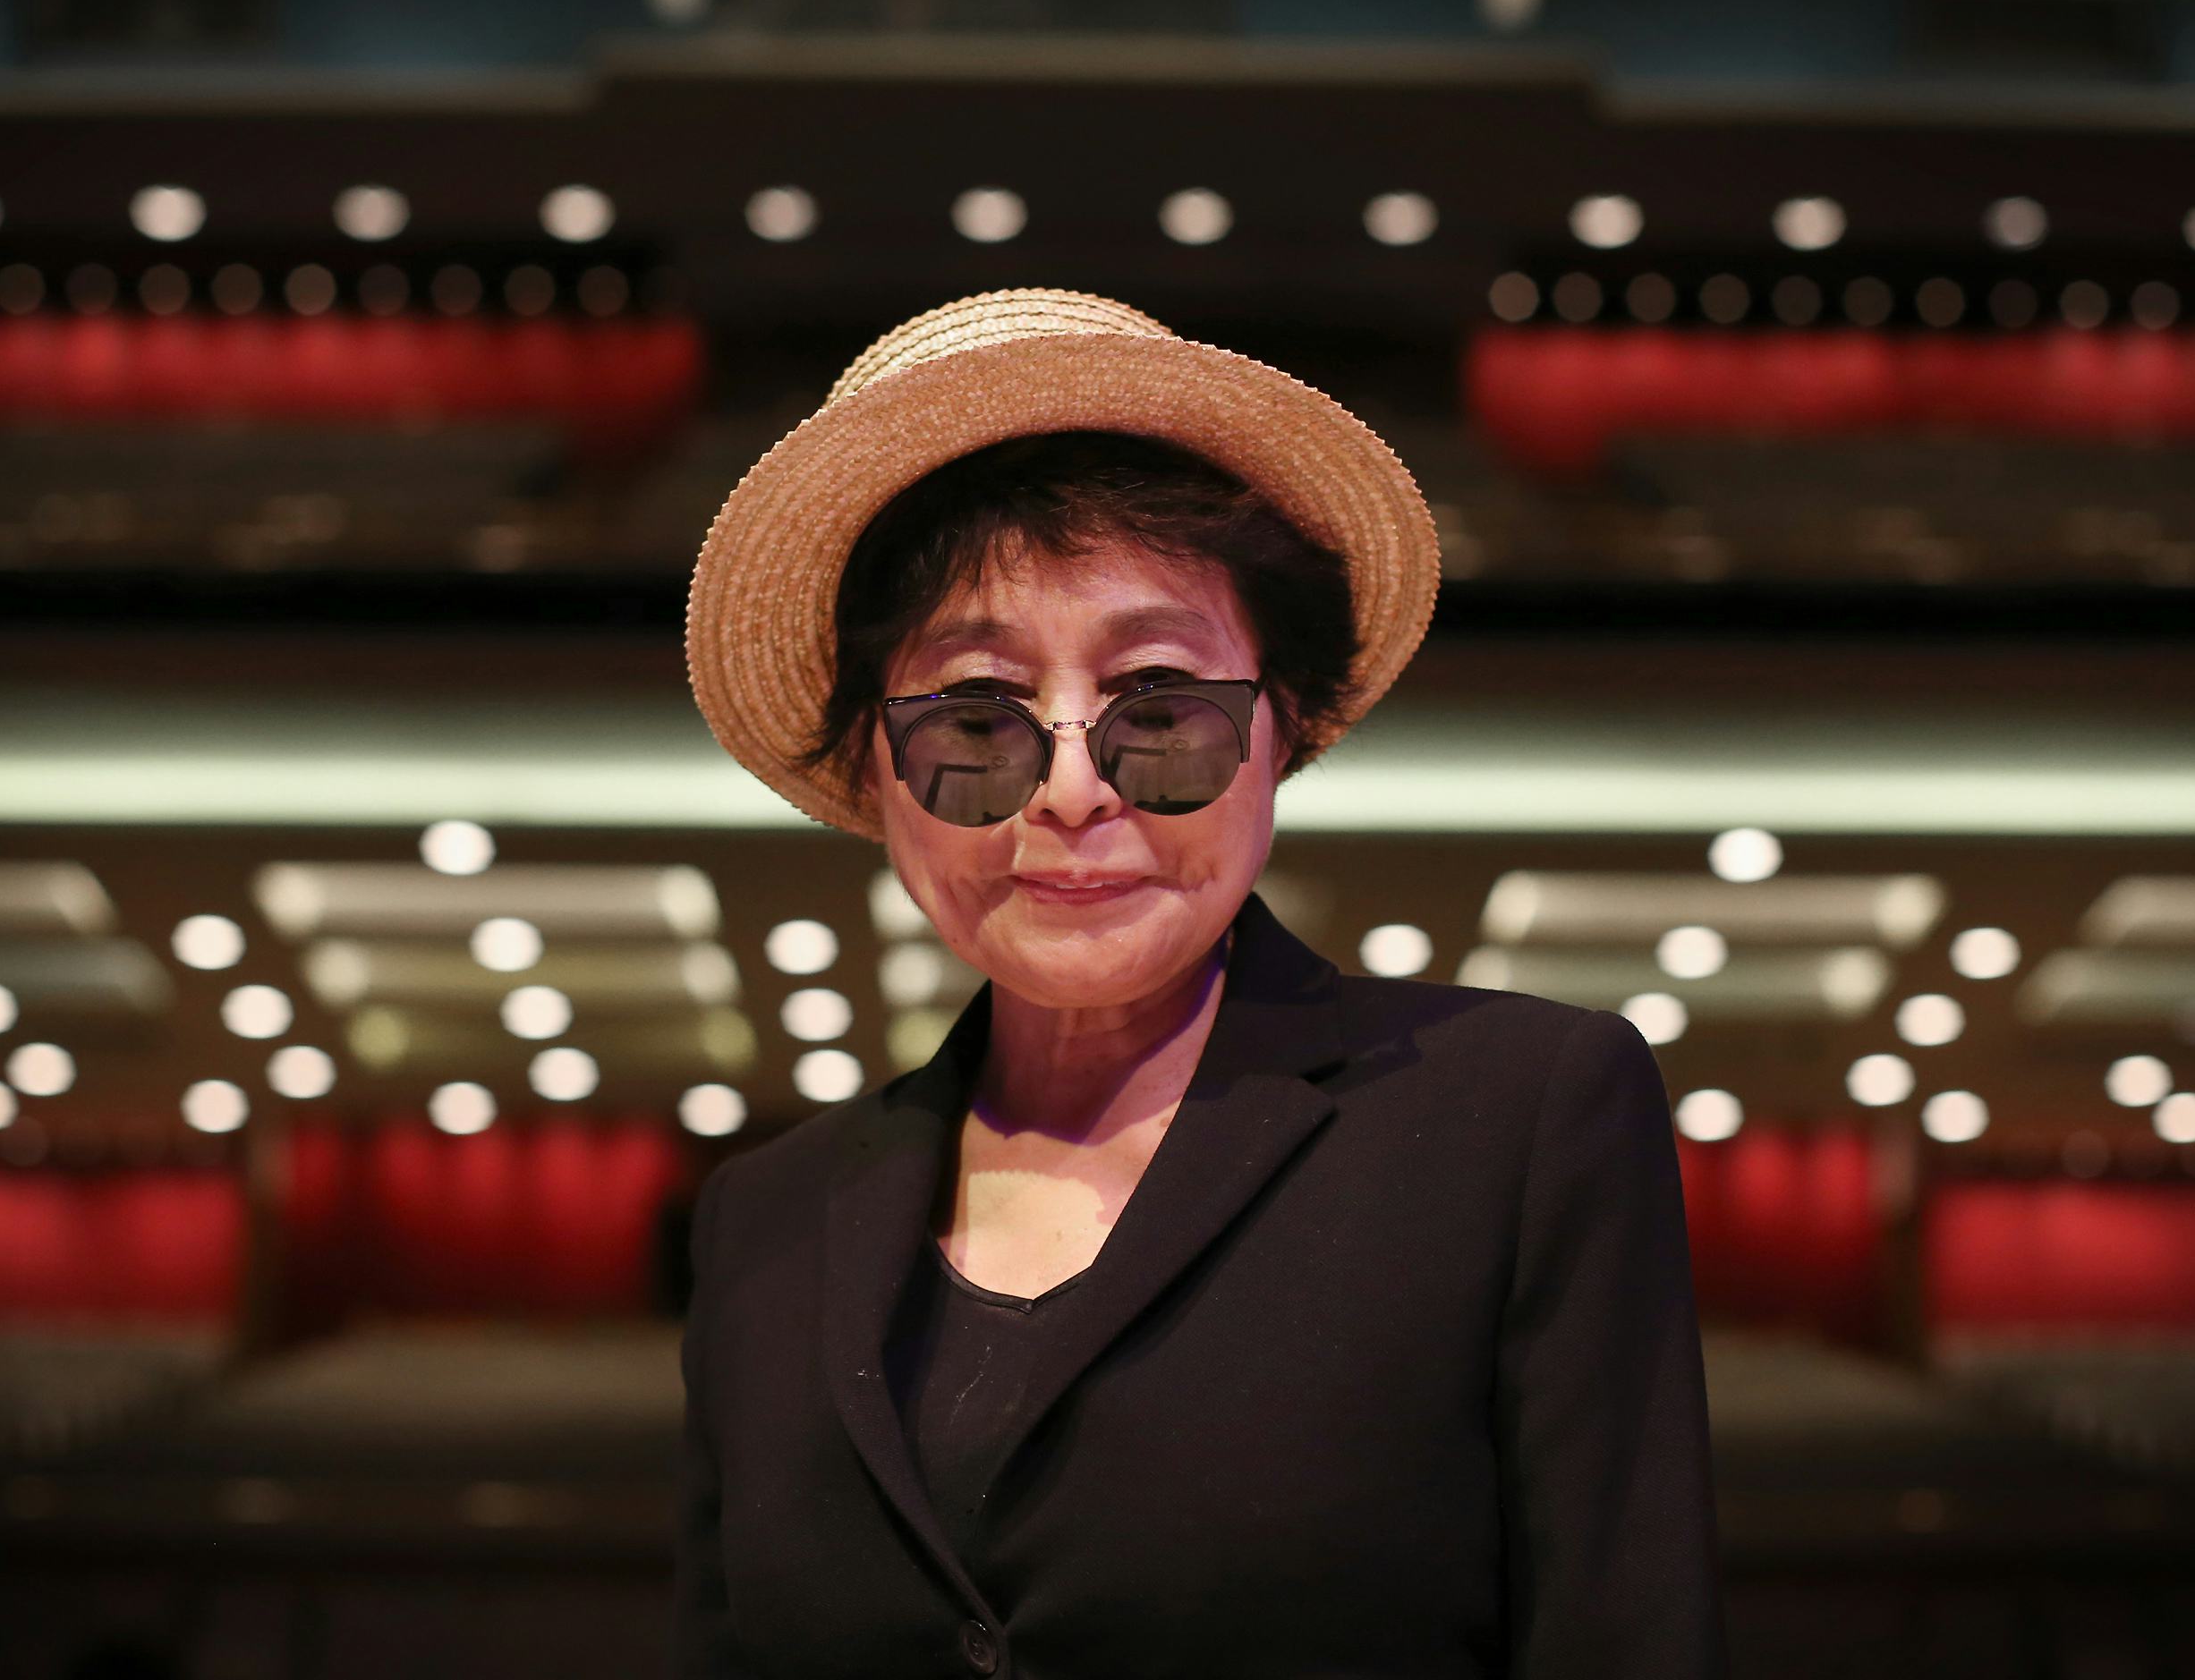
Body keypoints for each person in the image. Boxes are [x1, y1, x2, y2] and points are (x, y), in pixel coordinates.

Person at [676, 288, 1725, 1677]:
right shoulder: (765, 1219)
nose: (1069, 791)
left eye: (1159, 704)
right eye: (975, 715)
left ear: (1280, 727)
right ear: (877, 770)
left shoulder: (1521, 1120)